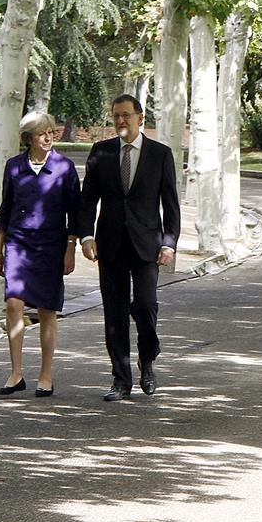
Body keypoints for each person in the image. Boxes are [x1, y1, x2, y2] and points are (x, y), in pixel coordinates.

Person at [79, 94, 180, 401]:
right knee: (115, 313)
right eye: (116, 116)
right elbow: (87, 200)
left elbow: (171, 205)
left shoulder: (160, 154)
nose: (121, 121)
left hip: (147, 244)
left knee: (146, 305)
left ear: (140, 118)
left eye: (126, 115)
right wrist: (86, 237)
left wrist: (169, 243)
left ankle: (147, 359)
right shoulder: (101, 152)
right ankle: (121, 379)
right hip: (109, 245)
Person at [0, 112, 80, 397]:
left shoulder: (64, 168)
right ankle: (16, 373)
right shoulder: (14, 166)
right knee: (13, 304)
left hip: (51, 244)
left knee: (46, 310)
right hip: (18, 242)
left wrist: (71, 249)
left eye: (51, 132)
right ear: (29, 137)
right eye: (41, 133)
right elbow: (5, 208)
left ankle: (46, 375)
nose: (48, 137)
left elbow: (75, 214)